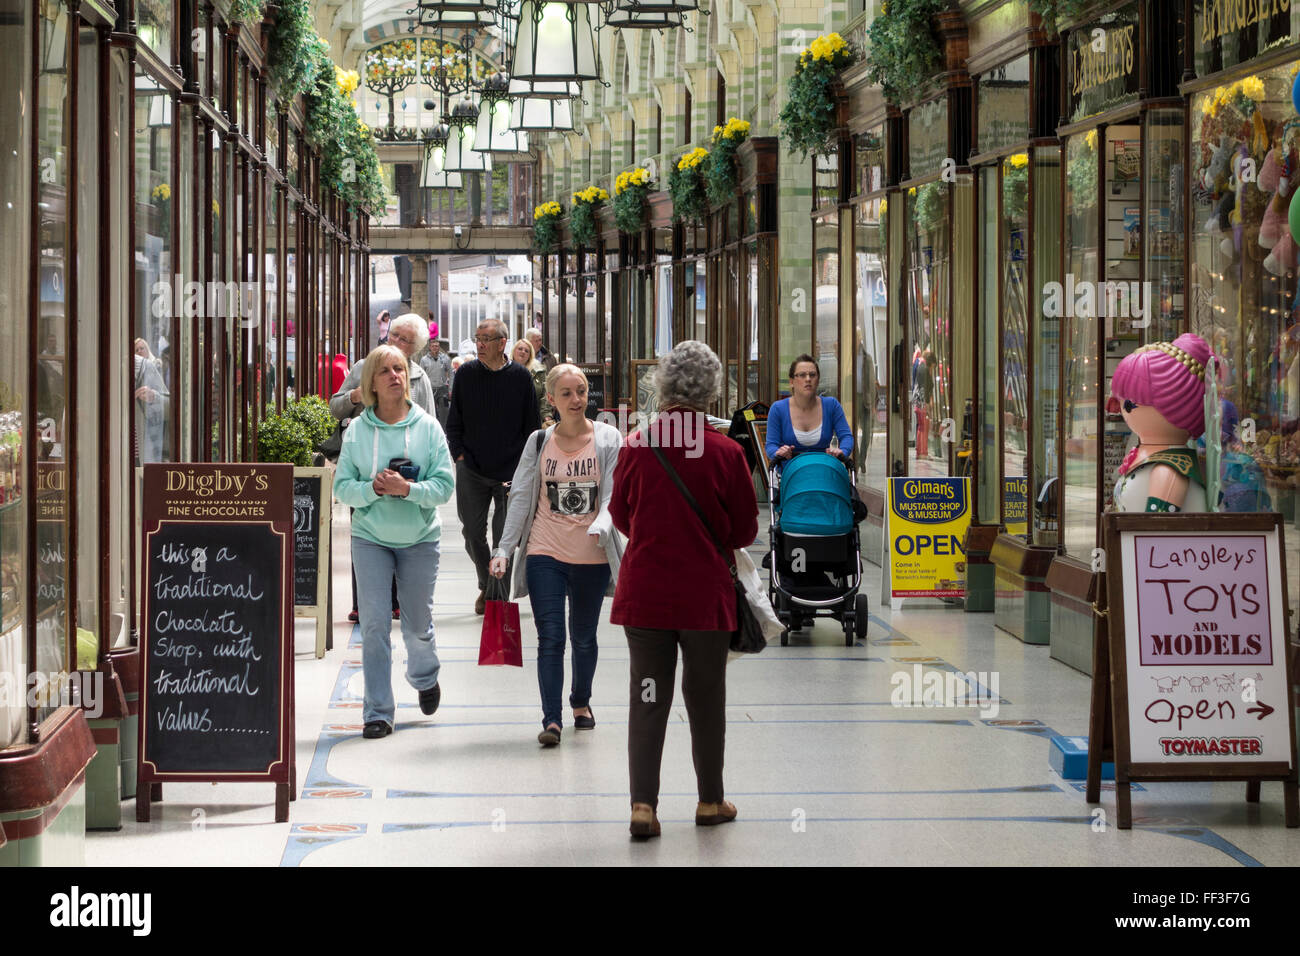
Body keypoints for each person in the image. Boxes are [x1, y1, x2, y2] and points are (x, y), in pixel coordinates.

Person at [609, 341, 758, 839]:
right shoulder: (727, 452)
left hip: (647, 593)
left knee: (648, 696)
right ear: (712, 390)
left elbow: (620, 517)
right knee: (705, 695)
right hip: (704, 599)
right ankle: (710, 800)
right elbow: (742, 532)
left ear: (663, 386)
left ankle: (643, 808)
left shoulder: (635, 445)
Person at [489, 364, 624, 746]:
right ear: (551, 399)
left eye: (581, 391)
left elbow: (616, 492)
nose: (577, 400)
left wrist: (604, 521)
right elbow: (519, 498)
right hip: (545, 550)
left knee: (583, 636)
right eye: (566, 393)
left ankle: (581, 701)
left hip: (592, 553)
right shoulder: (537, 442)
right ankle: (552, 720)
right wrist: (504, 548)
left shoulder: (608, 438)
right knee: (550, 636)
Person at [333, 345, 455, 739]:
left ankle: (424, 676)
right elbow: (343, 489)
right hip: (371, 539)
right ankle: (378, 712)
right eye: (384, 370)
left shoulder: (428, 429)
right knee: (373, 626)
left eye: (399, 368)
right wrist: (373, 489)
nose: (394, 376)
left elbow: (444, 487)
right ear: (371, 381)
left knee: (417, 625)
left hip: (419, 538)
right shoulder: (357, 432)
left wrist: (408, 490)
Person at [332, 313, 435, 623]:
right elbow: (334, 406)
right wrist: (354, 396)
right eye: (394, 335)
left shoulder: (419, 378)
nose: (396, 342)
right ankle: (363, 602)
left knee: (401, 533)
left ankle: (397, 600)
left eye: (405, 339)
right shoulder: (364, 368)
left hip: (405, 470)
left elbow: (430, 425)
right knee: (364, 531)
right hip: (365, 467)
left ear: (416, 348)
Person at [447, 318, 542, 614]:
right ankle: (486, 584)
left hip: (511, 472)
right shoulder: (465, 375)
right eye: (477, 338)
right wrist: (459, 456)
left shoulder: (521, 378)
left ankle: (496, 600)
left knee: (504, 538)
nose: (479, 344)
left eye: (486, 339)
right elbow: (454, 421)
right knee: (472, 533)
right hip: (472, 469)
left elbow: (532, 427)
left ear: (503, 343)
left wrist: (525, 468)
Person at [1110, 333, 1212, 513]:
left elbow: (1158, 528)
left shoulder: (1168, 470)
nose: (1118, 409)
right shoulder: (1162, 461)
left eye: (1128, 403)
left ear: (1173, 405)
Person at [765, 354, 854, 466]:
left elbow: (846, 436)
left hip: (823, 470)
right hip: (791, 475)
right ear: (791, 382)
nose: (808, 379)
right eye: (802, 375)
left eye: (812, 375)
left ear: (818, 379)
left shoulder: (831, 405)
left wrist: (842, 452)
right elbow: (771, 445)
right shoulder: (778, 409)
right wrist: (778, 452)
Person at [511, 337, 551, 425]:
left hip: (531, 420)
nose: (523, 352)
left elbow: (545, 396)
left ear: (530, 356)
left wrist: (546, 417)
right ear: (513, 351)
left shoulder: (539, 372)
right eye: (520, 349)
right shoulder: (504, 371)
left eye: (526, 351)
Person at [419, 336, 452, 429]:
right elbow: (421, 375)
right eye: (433, 346)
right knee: (431, 412)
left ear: (439, 347)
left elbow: (451, 374)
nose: (435, 348)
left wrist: (450, 389)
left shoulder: (445, 358)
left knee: (444, 413)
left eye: (437, 346)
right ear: (430, 347)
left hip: (442, 389)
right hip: (430, 389)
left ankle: (444, 433)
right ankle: (432, 430)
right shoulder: (424, 360)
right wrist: (422, 390)